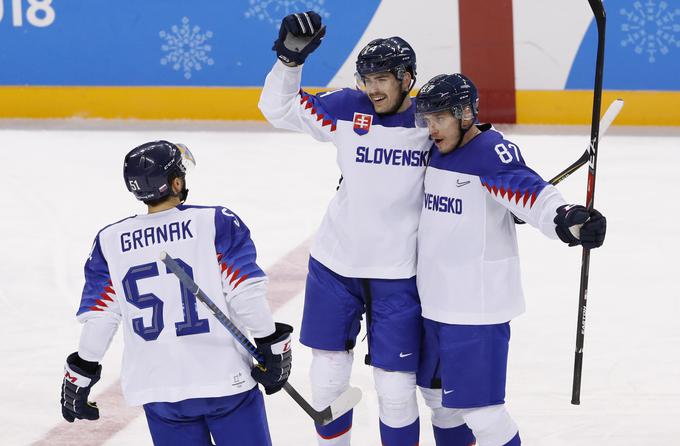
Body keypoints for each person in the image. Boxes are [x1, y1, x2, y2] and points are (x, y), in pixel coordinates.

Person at [259, 11, 465, 446]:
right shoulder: (345, 109)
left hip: (400, 275)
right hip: (336, 266)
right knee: (328, 381)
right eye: (366, 78)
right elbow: (276, 109)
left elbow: (476, 153)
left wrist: (508, 204)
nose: (372, 88)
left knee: (394, 391)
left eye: (383, 78)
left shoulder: (429, 121)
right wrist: (289, 61)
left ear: (408, 78)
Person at [413, 73, 607, 446]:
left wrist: (566, 218)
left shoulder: (490, 152)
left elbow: (527, 190)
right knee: (439, 403)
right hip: (433, 303)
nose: (432, 128)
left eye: (440, 117)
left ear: (465, 113)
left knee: (483, 415)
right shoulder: (435, 150)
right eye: (427, 119)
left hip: (475, 309)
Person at [59, 141, 293, 446]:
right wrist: (271, 346)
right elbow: (245, 292)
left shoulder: (109, 241)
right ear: (177, 182)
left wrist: (80, 374)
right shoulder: (215, 222)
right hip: (224, 380)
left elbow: (101, 318)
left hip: (159, 389)